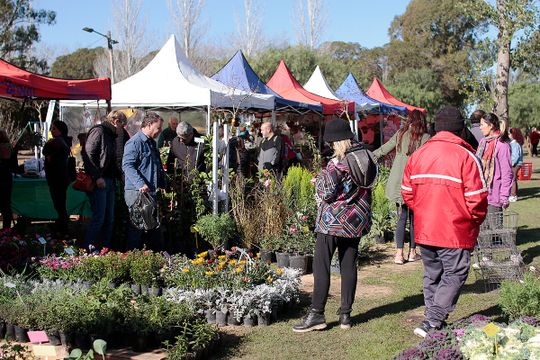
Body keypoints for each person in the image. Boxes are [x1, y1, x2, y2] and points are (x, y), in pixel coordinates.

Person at [401, 106, 488, 338]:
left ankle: (432, 320)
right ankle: (433, 319)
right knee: (456, 272)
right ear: (460, 129)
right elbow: (477, 200)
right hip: (454, 230)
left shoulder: (418, 155)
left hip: (425, 227)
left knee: (433, 274)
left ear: (437, 128)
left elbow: (407, 192)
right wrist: (473, 221)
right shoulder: (467, 157)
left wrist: (423, 210)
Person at [293, 118, 376, 333]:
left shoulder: (337, 162)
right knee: (349, 266)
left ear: (337, 142)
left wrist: (318, 180)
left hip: (332, 223)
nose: (329, 146)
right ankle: (346, 316)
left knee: (322, 266)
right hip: (356, 222)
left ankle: (317, 314)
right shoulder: (367, 156)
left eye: (331, 143)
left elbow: (325, 192)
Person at [374, 110, 430, 264]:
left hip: (399, 181)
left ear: (409, 120)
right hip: (415, 182)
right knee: (414, 219)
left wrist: (366, 157)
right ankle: (412, 252)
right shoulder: (425, 138)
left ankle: (399, 254)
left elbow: (383, 150)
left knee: (402, 217)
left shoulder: (400, 134)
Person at [122, 112, 166, 250]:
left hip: (149, 192)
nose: (159, 131)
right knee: (137, 227)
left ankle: (154, 258)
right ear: (149, 125)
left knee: (152, 226)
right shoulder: (135, 142)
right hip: (137, 192)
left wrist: (164, 184)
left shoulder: (151, 143)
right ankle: (133, 259)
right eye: (158, 128)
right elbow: (127, 165)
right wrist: (140, 183)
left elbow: (155, 166)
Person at [83, 112, 122, 251]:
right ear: (115, 121)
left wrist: (118, 175)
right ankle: (90, 247)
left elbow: (111, 160)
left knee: (109, 218)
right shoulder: (99, 131)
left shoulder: (110, 135)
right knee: (99, 217)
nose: (121, 128)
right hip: (100, 180)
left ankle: (105, 247)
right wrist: (96, 176)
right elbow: (88, 155)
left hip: (110, 180)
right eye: (121, 124)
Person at [476, 113, 513, 213]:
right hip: (480, 195)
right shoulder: (483, 143)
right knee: (482, 228)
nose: (480, 128)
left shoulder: (502, 145)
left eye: (482, 125)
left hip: (494, 197)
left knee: (495, 228)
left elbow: (507, 173)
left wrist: (504, 196)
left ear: (491, 125)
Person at [42, 121, 72, 234]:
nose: (51, 131)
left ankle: (63, 228)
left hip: (57, 178)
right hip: (61, 177)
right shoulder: (65, 141)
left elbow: (45, 151)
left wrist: (49, 144)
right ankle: (62, 226)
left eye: (54, 128)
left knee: (59, 204)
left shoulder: (57, 142)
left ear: (60, 130)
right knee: (60, 203)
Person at [0, 129, 14, 229]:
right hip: (7, 177)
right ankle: (6, 229)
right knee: (6, 205)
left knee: (5, 206)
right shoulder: (10, 147)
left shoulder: (2, 147)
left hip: (2, 176)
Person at [509, 128, 524, 202]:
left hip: (515, 164)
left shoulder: (515, 144)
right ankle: (515, 193)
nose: (508, 135)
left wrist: (511, 164)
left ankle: (513, 195)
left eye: (509, 134)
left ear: (513, 135)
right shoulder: (516, 143)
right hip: (518, 163)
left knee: (512, 179)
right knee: (514, 178)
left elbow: (515, 156)